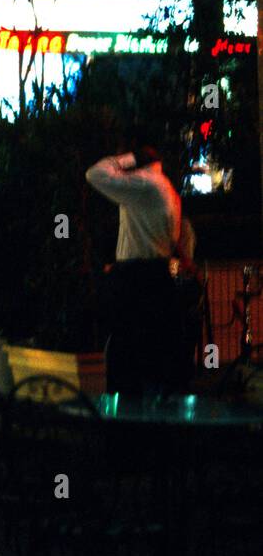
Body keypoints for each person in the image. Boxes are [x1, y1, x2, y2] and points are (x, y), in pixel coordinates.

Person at [85, 145, 191, 394]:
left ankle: (127, 417)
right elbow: (174, 239)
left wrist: (126, 159)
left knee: (125, 349)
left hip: (135, 276)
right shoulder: (168, 190)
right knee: (156, 351)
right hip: (158, 273)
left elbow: (94, 174)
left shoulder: (143, 184)